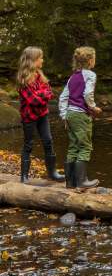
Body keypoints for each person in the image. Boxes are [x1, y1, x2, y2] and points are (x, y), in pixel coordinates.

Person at [16, 47, 64, 183]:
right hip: (29, 117)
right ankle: (24, 176)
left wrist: (42, 94)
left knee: (48, 141)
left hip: (42, 115)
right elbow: (34, 100)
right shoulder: (24, 79)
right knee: (28, 144)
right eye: (40, 58)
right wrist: (43, 95)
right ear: (33, 61)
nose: (42, 60)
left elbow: (50, 93)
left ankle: (52, 173)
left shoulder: (40, 75)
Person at [58, 46, 102, 189]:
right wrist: (93, 107)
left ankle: (70, 183)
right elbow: (87, 94)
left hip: (70, 114)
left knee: (73, 146)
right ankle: (82, 182)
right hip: (80, 114)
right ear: (90, 60)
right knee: (85, 146)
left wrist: (64, 116)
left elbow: (63, 97)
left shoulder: (73, 77)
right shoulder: (90, 75)